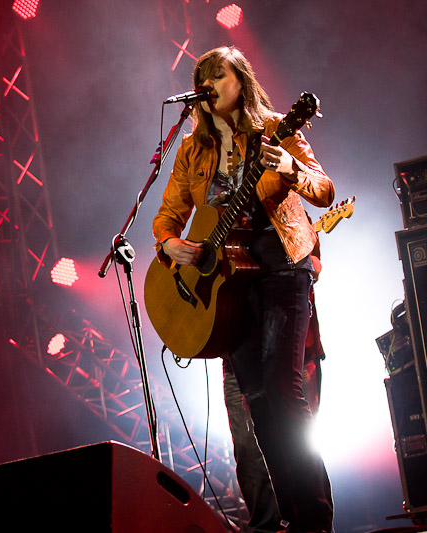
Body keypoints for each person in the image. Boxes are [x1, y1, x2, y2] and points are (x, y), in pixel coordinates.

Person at [152, 46, 334, 532]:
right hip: (230, 290)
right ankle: (293, 520)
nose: (209, 83)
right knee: (256, 400)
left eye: (219, 74)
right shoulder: (192, 150)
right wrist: (171, 245)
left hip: (280, 268)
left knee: (282, 388)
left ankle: (316, 516)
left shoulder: (277, 127)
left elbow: (325, 189)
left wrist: (291, 169)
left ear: (242, 80)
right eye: (202, 77)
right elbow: (167, 216)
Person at [223, 243, 327, 533]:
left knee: (294, 434)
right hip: (237, 346)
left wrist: (310, 265)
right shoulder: (219, 219)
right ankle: (266, 527)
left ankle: (312, 523)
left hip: (293, 350)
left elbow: (313, 260)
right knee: (247, 446)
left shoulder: (284, 210)